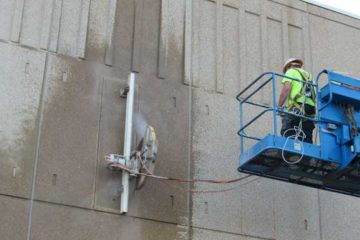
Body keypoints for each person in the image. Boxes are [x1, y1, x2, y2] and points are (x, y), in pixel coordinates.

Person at [277, 58, 316, 143]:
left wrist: (279, 106)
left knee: (288, 132)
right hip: (311, 109)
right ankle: (306, 154)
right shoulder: (309, 76)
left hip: (297, 107)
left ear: (288, 67)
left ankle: (287, 153)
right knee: (306, 135)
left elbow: (286, 89)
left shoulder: (291, 71)